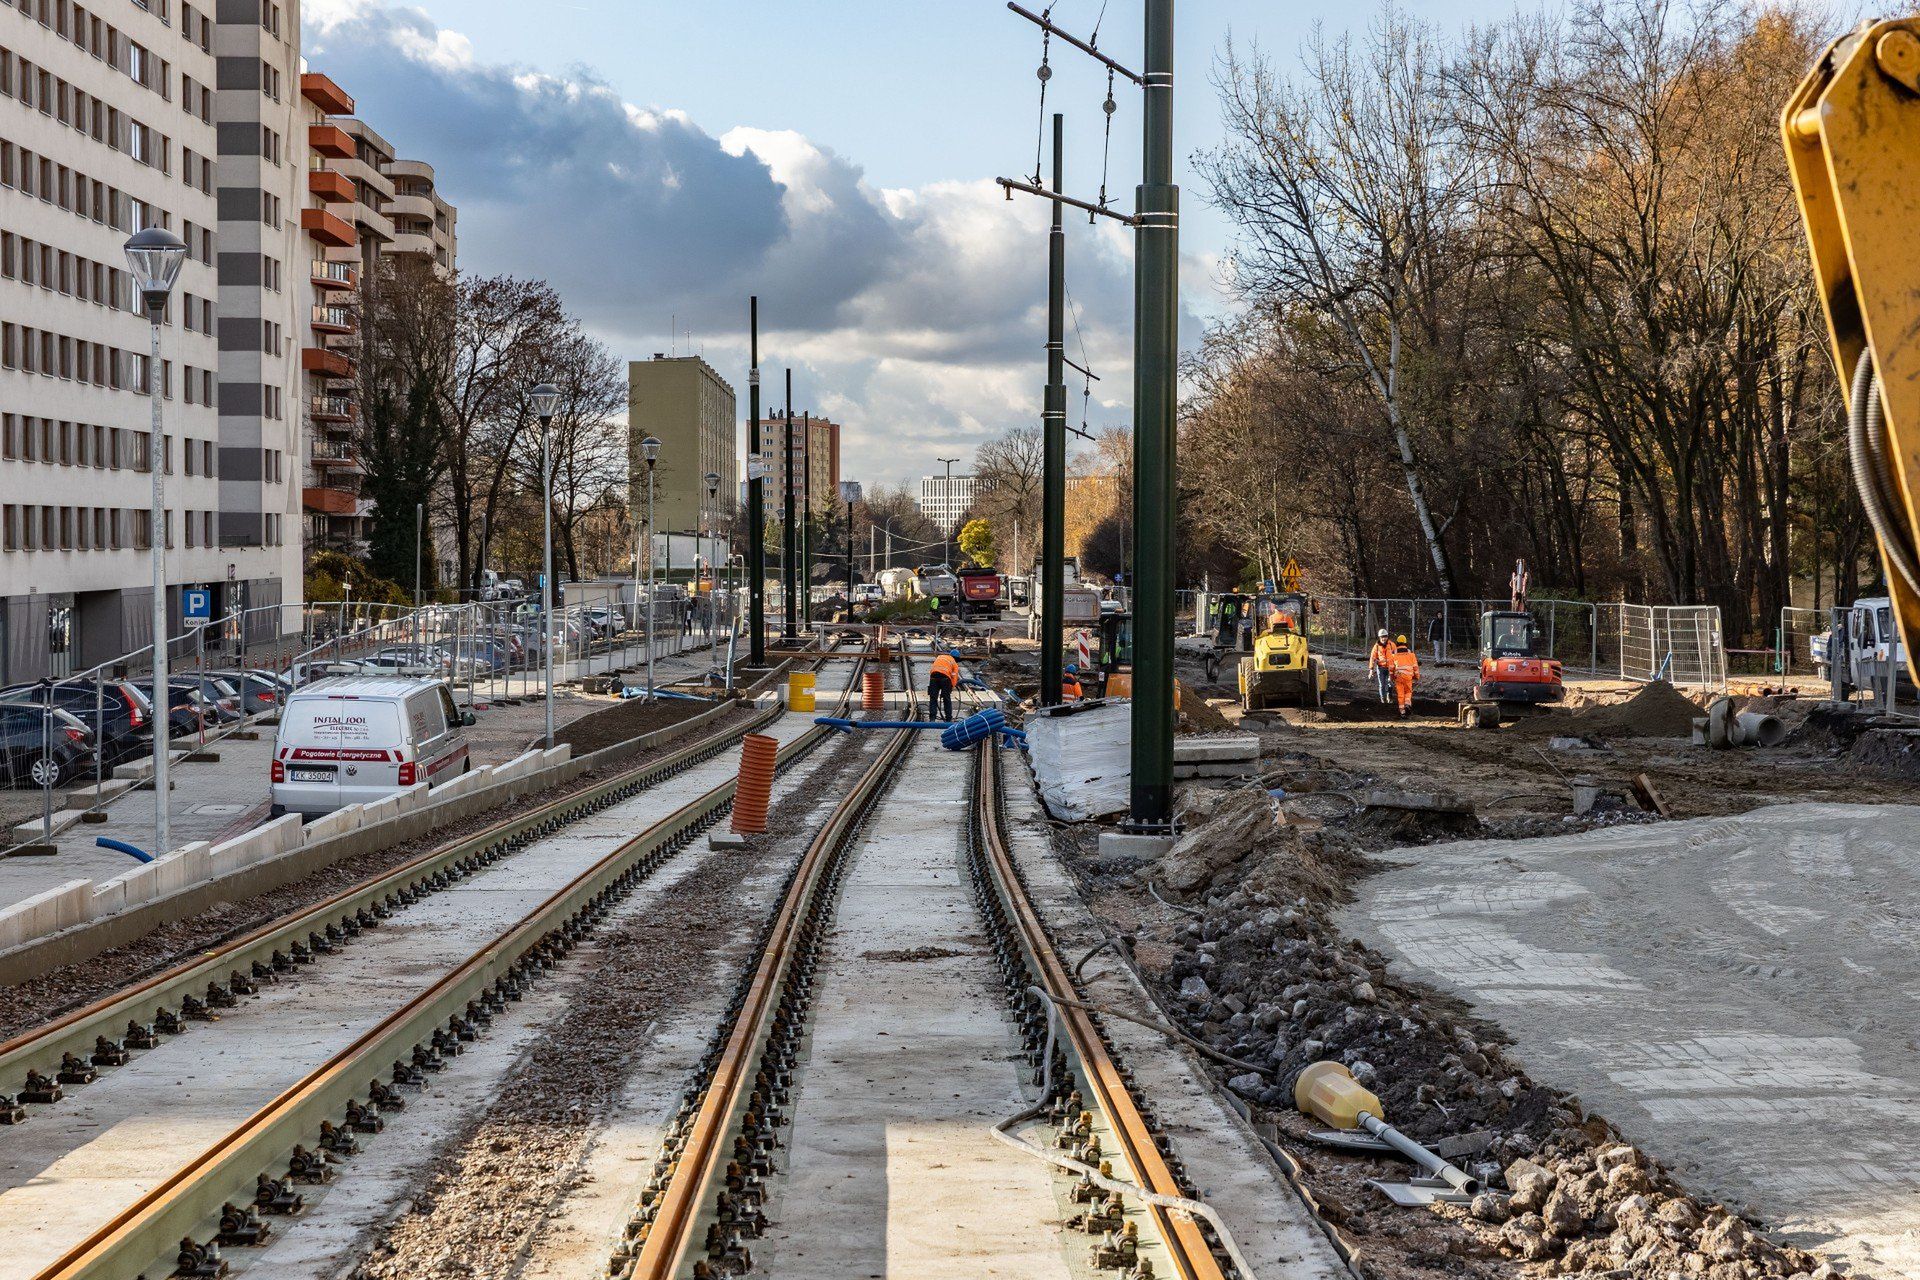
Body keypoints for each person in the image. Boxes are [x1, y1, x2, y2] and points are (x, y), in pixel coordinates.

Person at [1389, 634, 1421, 718]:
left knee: (1400, 694)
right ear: (1405, 643)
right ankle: (1407, 704)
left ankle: (1402, 712)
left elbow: (1391, 668)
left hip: (1398, 677)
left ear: (1397, 643)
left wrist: (1391, 678)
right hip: (1408, 677)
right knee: (1408, 692)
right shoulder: (1411, 653)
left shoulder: (1394, 653)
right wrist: (1417, 676)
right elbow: (1415, 667)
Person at [928, 648, 960, 721]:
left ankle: (932, 719)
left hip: (933, 677)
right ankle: (948, 718)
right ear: (956, 658)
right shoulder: (954, 663)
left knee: (933, 698)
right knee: (946, 699)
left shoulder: (940, 657)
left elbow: (933, 668)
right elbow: (954, 676)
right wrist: (951, 687)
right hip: (945, 679)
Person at [1367, 629, 1395, 705]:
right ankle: (1383, 700)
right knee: (1382, 685)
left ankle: (1389, 697)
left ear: (1387, 637)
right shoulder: (1376, 647)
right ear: (1379, 637)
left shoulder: (1392, 645)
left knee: (1390, 683)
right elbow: (1372, 658)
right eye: (1382, 637)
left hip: (1390, 668)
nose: (1384, 638)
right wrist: (1371, 670)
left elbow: (1396, 656)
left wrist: (1397, 667)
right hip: (1381, 668)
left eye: (1385, 636)